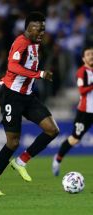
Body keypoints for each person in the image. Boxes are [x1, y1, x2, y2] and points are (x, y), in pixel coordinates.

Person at [0, 11, 59, 196]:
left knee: (52, 129)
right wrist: (39, 74)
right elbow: (13, 67)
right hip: (11, 96)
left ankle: (21, 162)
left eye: (43, 29)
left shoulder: (35, 44)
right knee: (13, 142)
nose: (41, 32)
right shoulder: (21, 42)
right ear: (28, 28)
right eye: (38, 29)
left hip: (28, 96)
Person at [52, 46, 93, 176]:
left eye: (92, 54)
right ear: (83, 58)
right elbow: (82, 91)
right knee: (75, 139)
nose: (91, 56)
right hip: (85, 112)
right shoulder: (82, 72)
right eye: (88, 54)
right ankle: (57, 159)